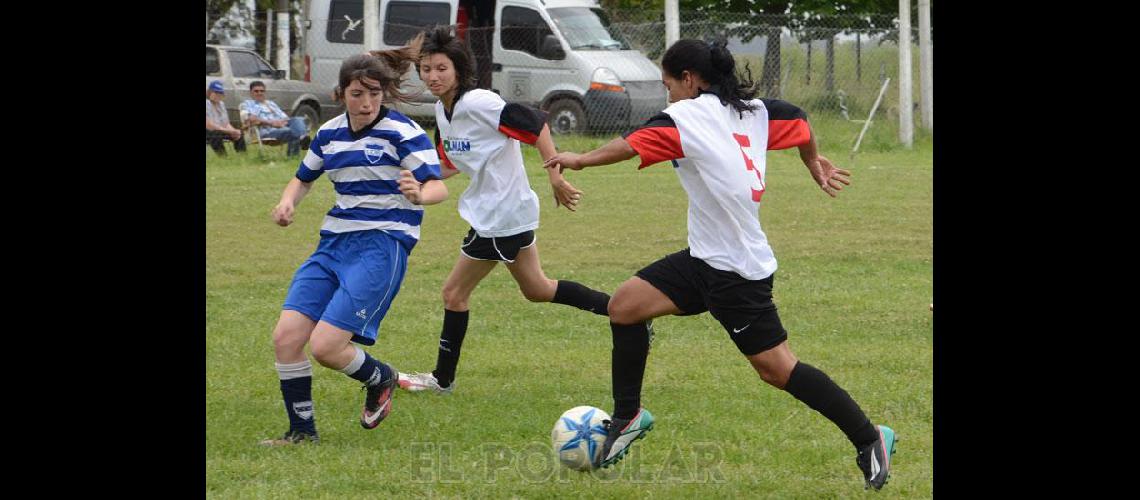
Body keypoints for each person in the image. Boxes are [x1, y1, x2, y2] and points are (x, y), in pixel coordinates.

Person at [544, 39, 896, 490]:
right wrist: (812, 162)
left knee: (777, 369)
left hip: (736, 272)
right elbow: (800, 122)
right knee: (625, 305)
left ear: (689, 79)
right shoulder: (753, 110)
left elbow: (633, 144)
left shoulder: (690, 115)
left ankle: (870, 439)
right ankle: (627, 416)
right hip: (704, 258)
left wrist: (580, 159)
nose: (666, 92)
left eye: (668, 83)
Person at [395, 26, 611, 395]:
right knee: (538, 289)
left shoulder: (479, 102)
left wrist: (555, 176)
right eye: (426, 69)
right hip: (503, 214)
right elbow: (451, 164)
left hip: (500, 217)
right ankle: (625, 312)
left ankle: (441, 380)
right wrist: (413, 177)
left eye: (441, 68)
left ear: (458, 70)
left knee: (453, 294)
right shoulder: (443, 111)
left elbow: (536, 123)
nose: (432, 76)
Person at [260, 34, 450, 446]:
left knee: (327, 347)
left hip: (382, 246)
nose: (367, 103)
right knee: (286, 338)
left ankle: (380, 378)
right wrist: (287, 202)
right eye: (357, 94)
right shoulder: (329, 134)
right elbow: (303, 177)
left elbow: (438, 187)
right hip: (333, 247)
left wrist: (420, 194)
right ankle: (302, 432)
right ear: (341, 93)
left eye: (375, 94)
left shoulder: (403, 131)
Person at [240, 81, 312, 157]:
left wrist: (282, 123)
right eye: (256, 91)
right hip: (267, 131)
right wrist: (272, 123)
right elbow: (251, 119)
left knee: (298, 119)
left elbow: (285, 118)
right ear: (251, 93)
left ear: (265, 92)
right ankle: (298, 148)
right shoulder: (247, 104)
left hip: (282, 126)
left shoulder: (271, 103)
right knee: (294, 131)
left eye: (262, 91)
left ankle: (302, 137)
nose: (259, 93)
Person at [205, 80, 247, 155]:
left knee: (239, 133)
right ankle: (223, 158)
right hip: (209, 130)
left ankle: (242, 156)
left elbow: (226, 123)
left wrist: (234, 131)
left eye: (220, 93)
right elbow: (209, 125)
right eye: (215, 92)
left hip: (220, 129)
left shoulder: (221, 104)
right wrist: (228, 131)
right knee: (215, 133)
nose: (218, 95)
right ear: (209, 92)